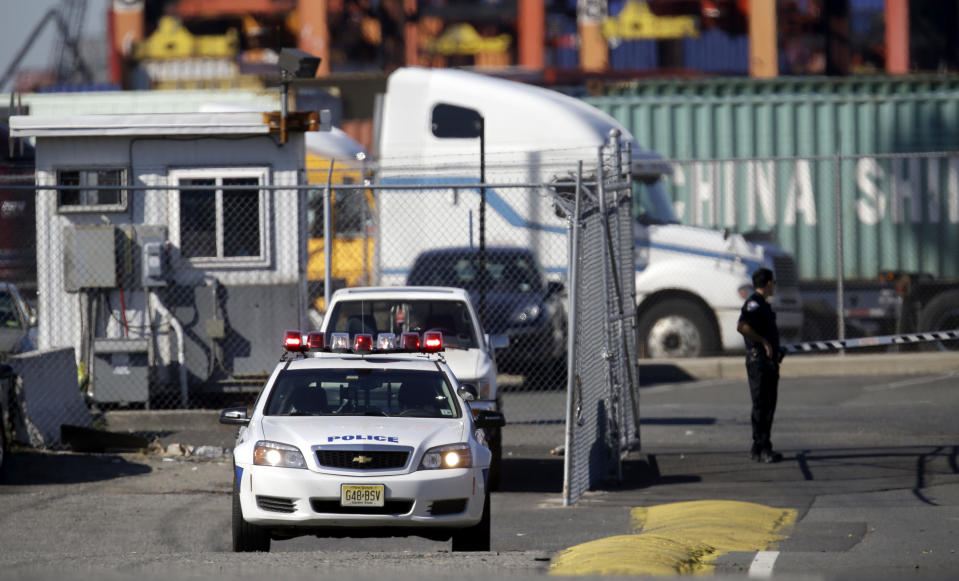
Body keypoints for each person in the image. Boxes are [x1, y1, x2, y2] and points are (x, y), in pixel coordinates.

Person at [737, 268, 785, 463]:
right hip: (759, 363)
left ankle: (760, 446)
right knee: (762, 405)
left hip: (768, 363)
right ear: (768, 284)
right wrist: (763, 342)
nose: (774, 286)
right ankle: (762, 447)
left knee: (767, 405)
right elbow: (742, 326)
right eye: (773, 283)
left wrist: (776, 348)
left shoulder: (763, 305)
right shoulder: (754, 304)